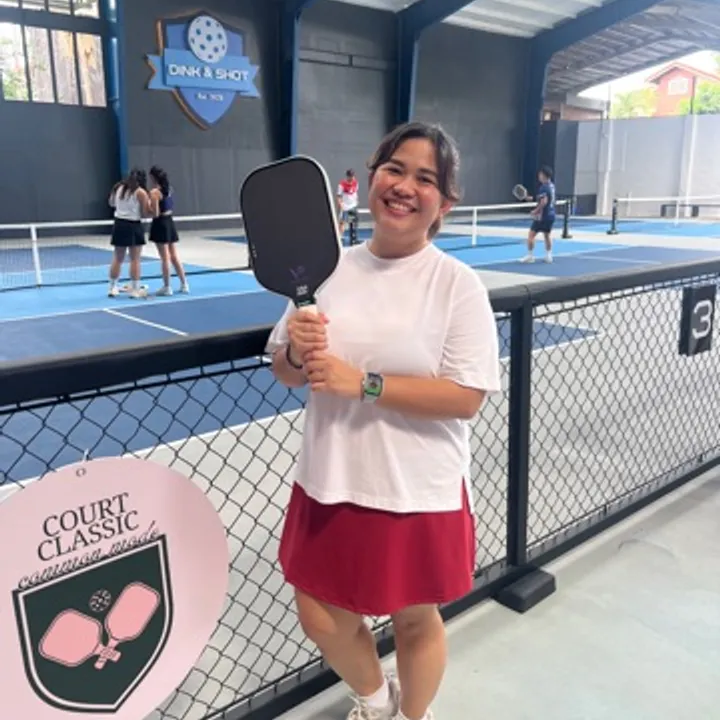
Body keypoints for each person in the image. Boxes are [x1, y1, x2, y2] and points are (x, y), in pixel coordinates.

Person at [265, 121, 502, 720]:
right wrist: (296, 352)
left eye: (425, 179)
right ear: (371, 178)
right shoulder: (323, 269)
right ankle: (376, 701)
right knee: (319, 612)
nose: (403, 186)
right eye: (394, 169)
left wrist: (363, 384)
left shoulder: (457, 285)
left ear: (444, 204)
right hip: (330, 477)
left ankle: (411, 717)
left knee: (415, 618)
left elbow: (466, 397)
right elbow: (286, 371)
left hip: (416, 486)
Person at [107, 168, 152, 299]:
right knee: (135, 259)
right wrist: (154, 208)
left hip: (119, 224)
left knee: (117, 258)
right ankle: (135, 289)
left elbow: (111, 203)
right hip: (133, 225)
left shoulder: (118, 188)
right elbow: (145, 213)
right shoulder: (141, 192)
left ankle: (112, 288)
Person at [148, 165, 189, 296]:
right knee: (174, 256)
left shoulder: (154, 193)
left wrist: (147, 207)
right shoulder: (169, 189)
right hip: (169, 221)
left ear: (153, 178)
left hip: (160, 223)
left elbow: (155, 213)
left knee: (164, 257)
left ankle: (167, 287)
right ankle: (184, 284)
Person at [520, 165, 556, 264]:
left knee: (531, 235)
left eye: (540, 174)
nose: (539, 176)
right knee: (547, 235)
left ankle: (530, 256)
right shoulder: (551, 186)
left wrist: (535, 211)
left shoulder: (543, 187)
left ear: (544, 175)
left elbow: (544, 202)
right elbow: (541, 198)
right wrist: (530, 198)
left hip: (542, 216)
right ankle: (549, 256)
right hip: (551, 215)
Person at [337, 168, 359, 241]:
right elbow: (339, 196)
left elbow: (355, 192)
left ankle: (353, 238)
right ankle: (339, 237)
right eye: (350, 176)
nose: (352, 178)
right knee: (342, 223)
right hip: (344, 207)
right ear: (347, 176)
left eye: (352, 176)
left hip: (353, 206)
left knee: (353, 222)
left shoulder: (356, 183)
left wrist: (356, 201)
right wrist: (340, 205)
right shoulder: (342, 185)